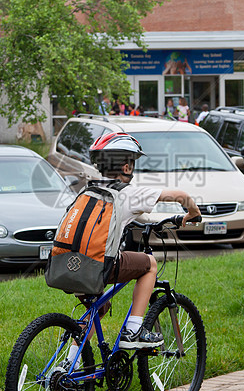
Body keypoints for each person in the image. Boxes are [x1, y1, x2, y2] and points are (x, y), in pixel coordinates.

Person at [84, 132, 201, 351]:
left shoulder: (88, 191)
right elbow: (180, 196)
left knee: (97, 310)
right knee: (149, 264)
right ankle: (134, 330)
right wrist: (192, 213)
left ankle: (67, 364)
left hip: (66, 265)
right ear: (126, 167)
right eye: (132, 163)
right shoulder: (127, 192)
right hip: (99, 266)